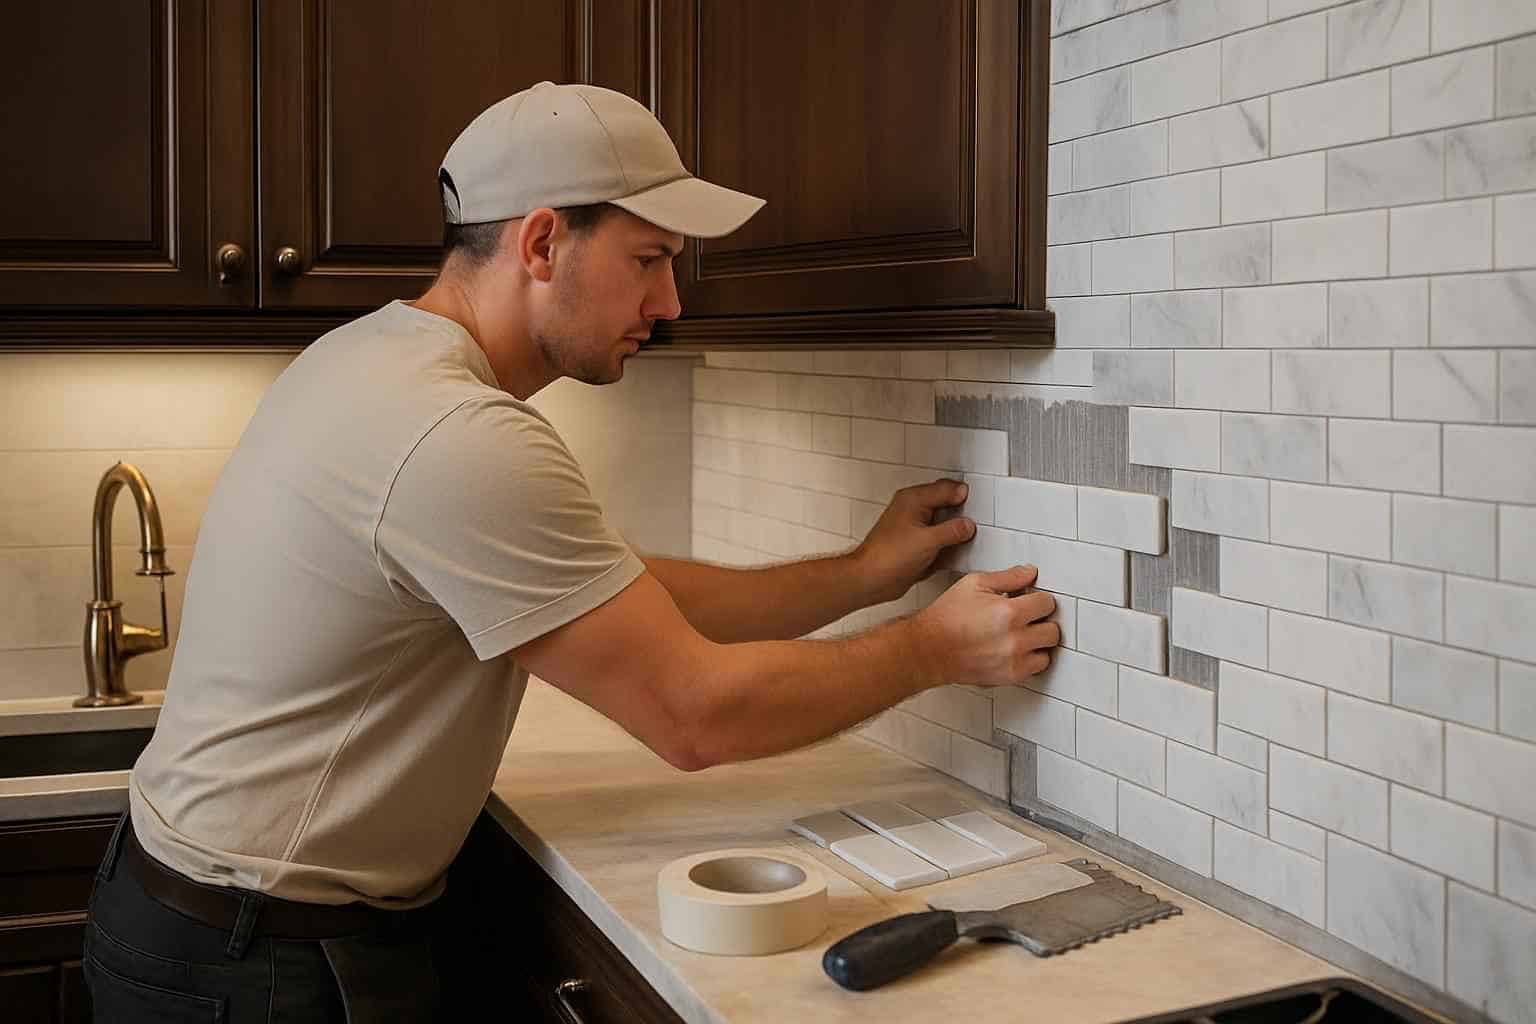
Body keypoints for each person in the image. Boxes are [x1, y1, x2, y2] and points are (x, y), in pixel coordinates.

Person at [82, 81, 1060, 1021]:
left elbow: (610, 593)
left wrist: (858, 574)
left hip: (198, 913)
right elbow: (695, 716)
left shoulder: (370, 357)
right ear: (543, 241)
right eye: (648, 259)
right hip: (256, 959)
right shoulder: (454, 432)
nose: (671, 300)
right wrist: (933, 649)